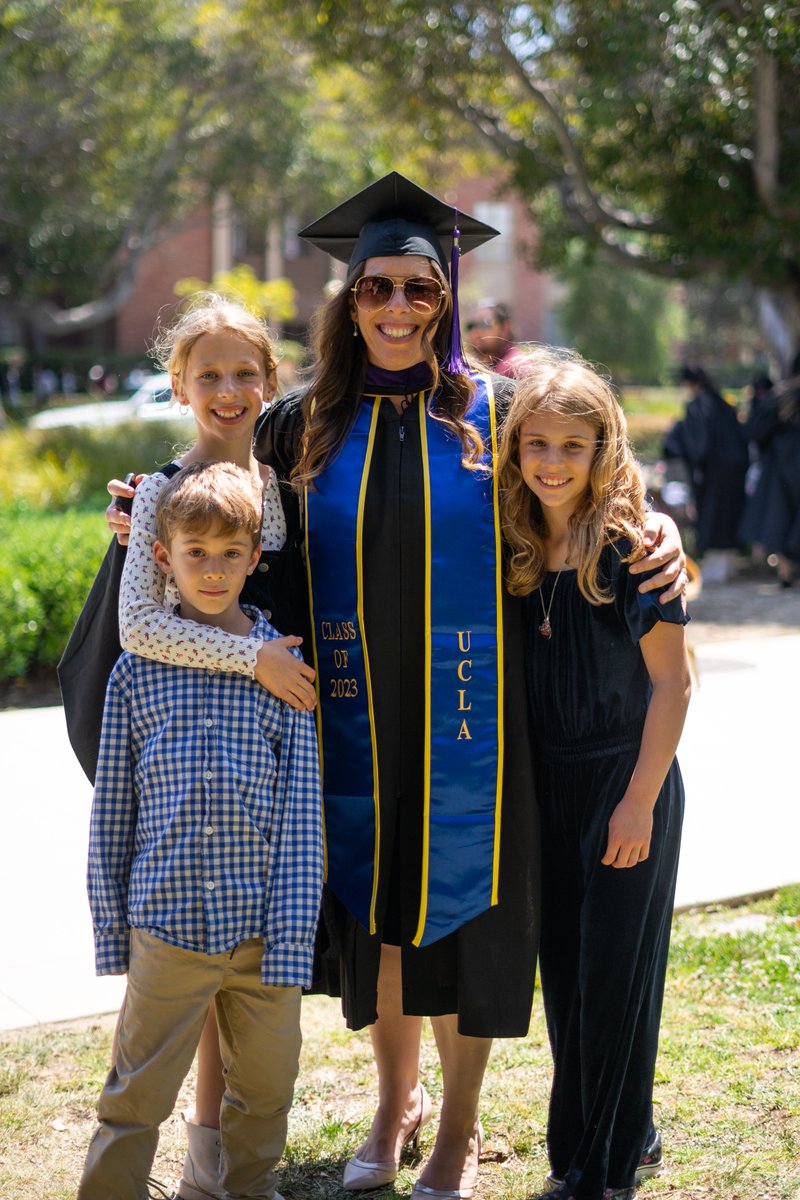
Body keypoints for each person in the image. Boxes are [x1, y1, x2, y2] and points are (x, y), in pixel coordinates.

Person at [104, 175, 687, 1200]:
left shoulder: (495, 413)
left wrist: (661, 533)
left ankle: (457, 1132)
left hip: (479, 732)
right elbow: (228, 511)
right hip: (353, 724)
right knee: (378, 921)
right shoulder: (300, 426)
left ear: (446, 301)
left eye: (420, 290)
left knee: (469, 926)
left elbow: (582, 481)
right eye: (377, 288)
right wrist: (141, 514)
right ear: (350, 298)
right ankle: (391, 1106)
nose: (397, 309)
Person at [78, 461, 323, 1200]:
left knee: (267, 1094)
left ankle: (249, 1190)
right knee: (134, 1097)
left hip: (260, 935)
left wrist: (291, 935)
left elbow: (302, 816)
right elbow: (114, 808)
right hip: (167, 926)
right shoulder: (137, 675)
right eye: (195, 553)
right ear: (163, 557)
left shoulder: (285, 670)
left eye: (229, 555)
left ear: (254, 559)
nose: (212, 571)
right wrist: (112, 926)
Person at [498, 348, 691, 1200]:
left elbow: (674, 683)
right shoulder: (514, 544)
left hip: (627, 783)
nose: (550, 461)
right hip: (549, 789)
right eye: (535, 443)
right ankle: (629, 1130)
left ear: (603, 449)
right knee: (568, 977)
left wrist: (639, 802)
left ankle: (592, 1169)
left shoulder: (631, 553)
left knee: (616, 976)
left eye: (571, 447)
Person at [664, 365, 748, 581]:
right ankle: (729, 565)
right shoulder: (724, 403)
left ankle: (715, 569)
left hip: (713, 471)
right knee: (729, 515)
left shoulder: (698, 406)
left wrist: (695, 466)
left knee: (713, 516)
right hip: (736, 469)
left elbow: (697, 445)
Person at [464, 298, 524, 376]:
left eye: (485, 324)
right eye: (470, 326)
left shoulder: (518, 368)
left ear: (505, 327)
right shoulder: (467, 368)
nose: (475, 331)